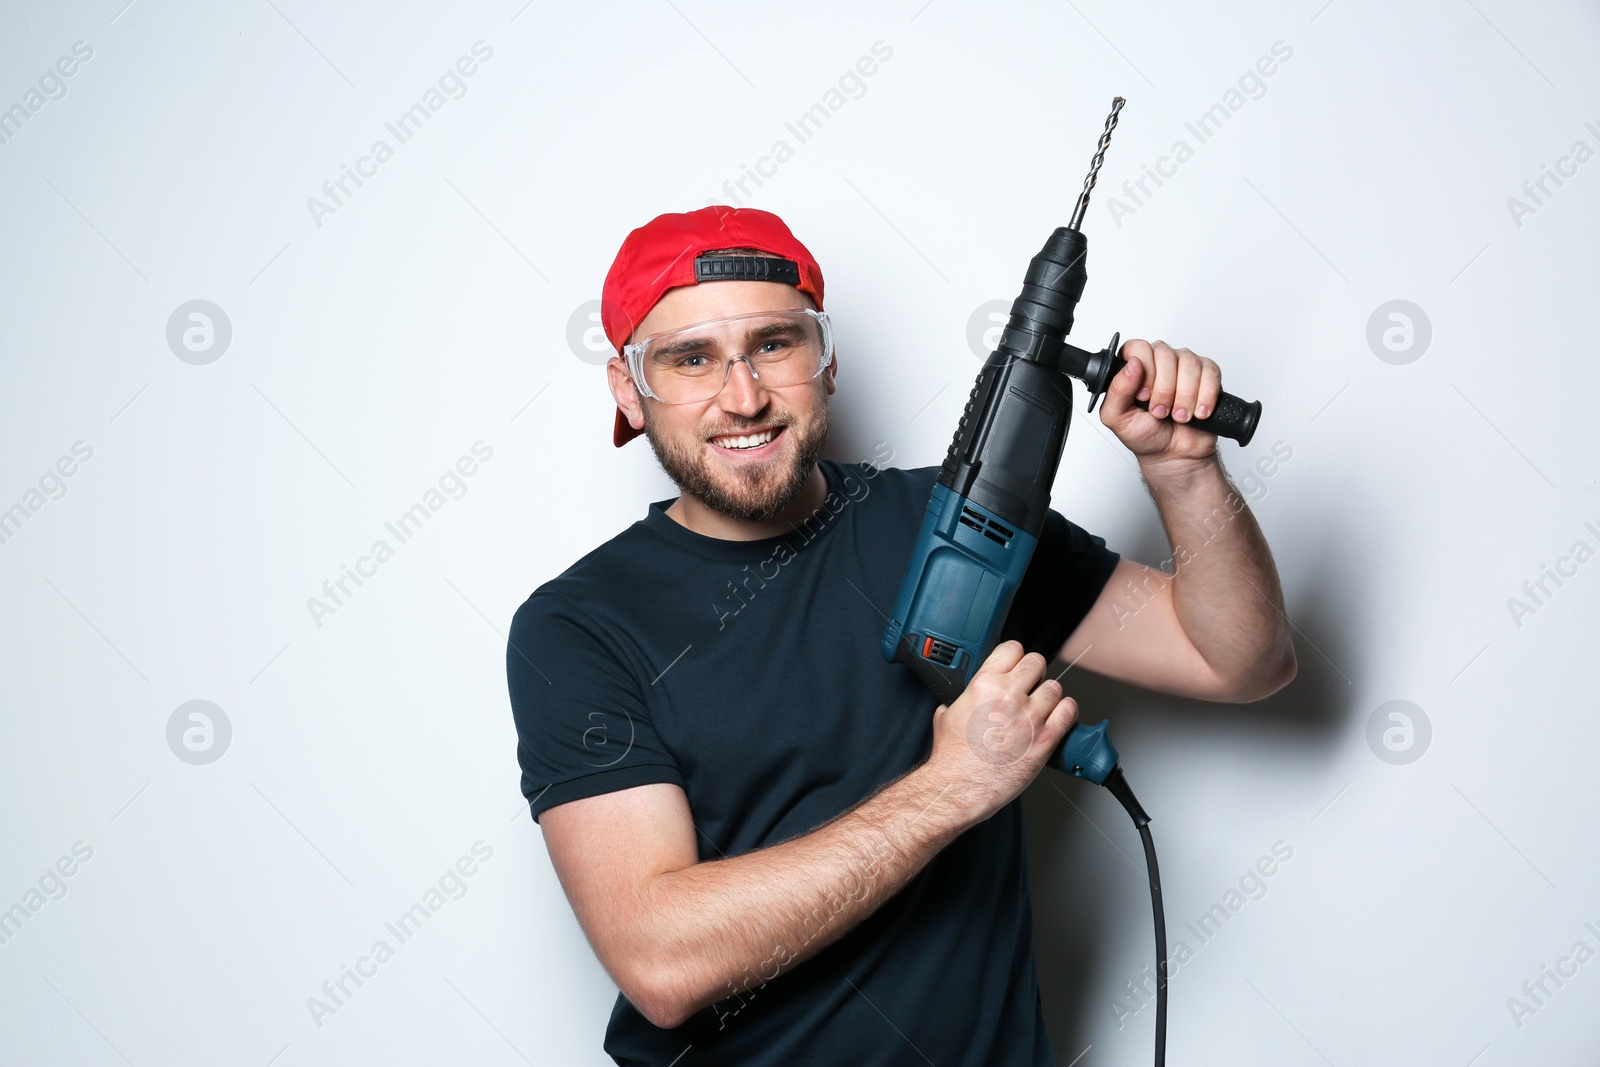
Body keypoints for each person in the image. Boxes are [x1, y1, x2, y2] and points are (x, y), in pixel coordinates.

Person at [505, 204, 1296, 1065]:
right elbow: (661, 959)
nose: (744, 396)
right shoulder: (579, 625)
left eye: (774, 343)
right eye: (689, 358)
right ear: (628, 388)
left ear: (827, 359)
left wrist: (1182, 472)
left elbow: (1240, 659)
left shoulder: (962, 524)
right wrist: (953, 786)